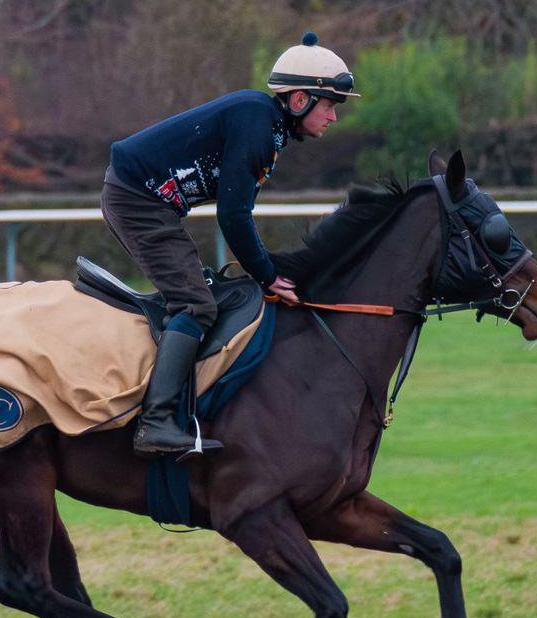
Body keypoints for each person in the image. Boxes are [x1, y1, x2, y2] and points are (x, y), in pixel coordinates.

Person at [102, 31, 359, 457]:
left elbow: (236, 216)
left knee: (200, 295)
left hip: (145, 201)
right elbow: (234, 217)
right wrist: (269, 275)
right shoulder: (258, 125)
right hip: (138, 200)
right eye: (330, 105)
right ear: (300, 101)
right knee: (196, 305)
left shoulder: (267, 125)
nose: (333, 117)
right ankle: (156, 423)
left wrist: (266, 269)